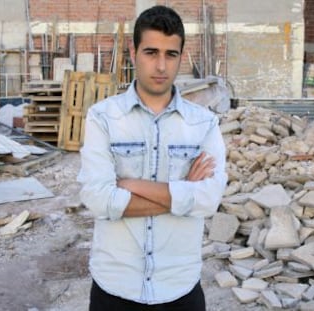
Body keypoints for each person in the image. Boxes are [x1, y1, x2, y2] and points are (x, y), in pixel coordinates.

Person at [77, 5, 227, 311]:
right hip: (115, 288)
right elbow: (97, 198)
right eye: (151, 52)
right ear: (133, 53)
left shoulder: (203, 123)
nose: (160, 66)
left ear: (181, 57)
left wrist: (130, 184)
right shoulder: (103, 118)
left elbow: (209, 200)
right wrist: (185, 189)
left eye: (170, 54)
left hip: (180, 289)